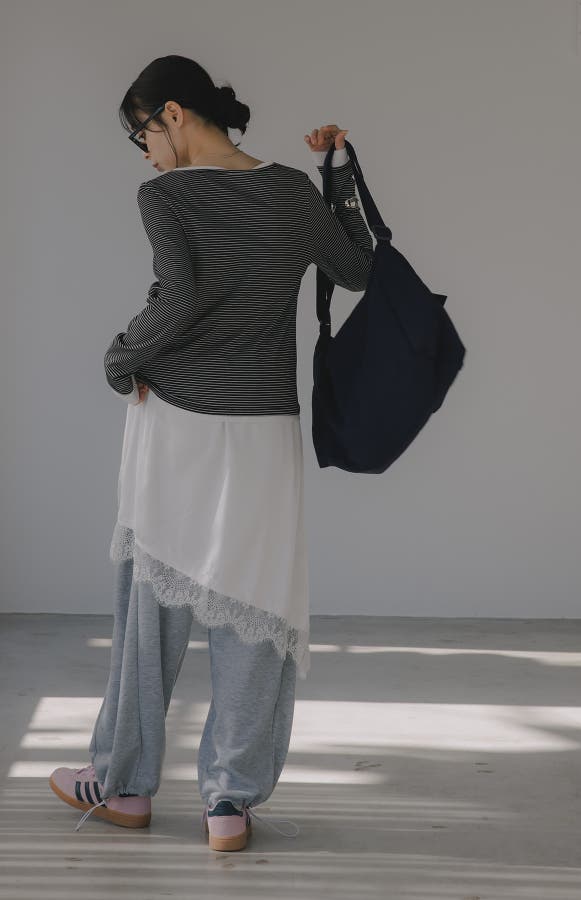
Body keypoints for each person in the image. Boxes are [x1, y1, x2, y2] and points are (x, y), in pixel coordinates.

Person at [49, 54, 374, 852]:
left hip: (177, 420)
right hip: (265, 422)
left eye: (143, 135)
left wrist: (120, 357)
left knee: (149, 610)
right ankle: (229, 804)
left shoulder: (166, 197)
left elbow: (182, 295)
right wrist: (337, 171)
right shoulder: (292, 190)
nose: (146, 154)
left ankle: (123, 785)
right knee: (255, 606)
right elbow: (359, 268)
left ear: (172, 113)